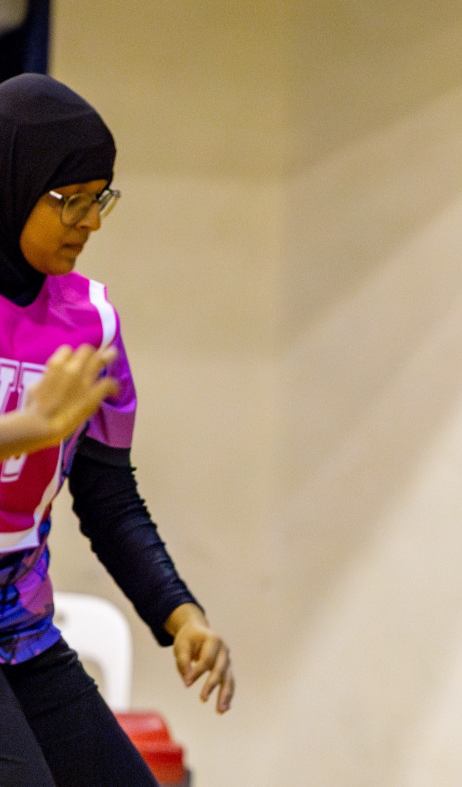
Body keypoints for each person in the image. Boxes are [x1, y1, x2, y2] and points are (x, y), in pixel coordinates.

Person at [0, 72, 233, 786]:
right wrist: (21, 429)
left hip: (20, 632)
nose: (91, 222)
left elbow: (106, 496)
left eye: (100, 199)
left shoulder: (91, 321)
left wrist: (180, 615)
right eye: (70, 200)